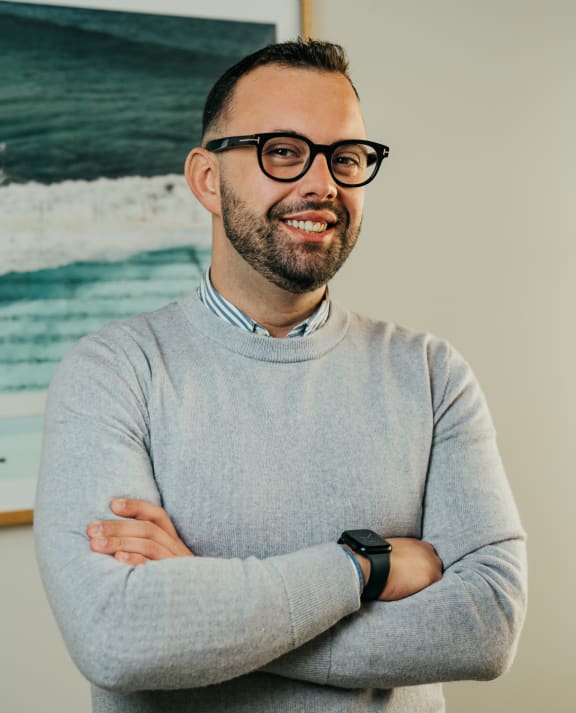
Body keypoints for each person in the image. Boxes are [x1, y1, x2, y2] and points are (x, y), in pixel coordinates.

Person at [34, 39, 527, 713]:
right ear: (208, 179)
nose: (321, 183)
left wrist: (203, 603)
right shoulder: (112, 372)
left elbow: (488, 623)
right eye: (283, 151)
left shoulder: (433, 374)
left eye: (346, 157)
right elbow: (117, 635)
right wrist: (364, 568)